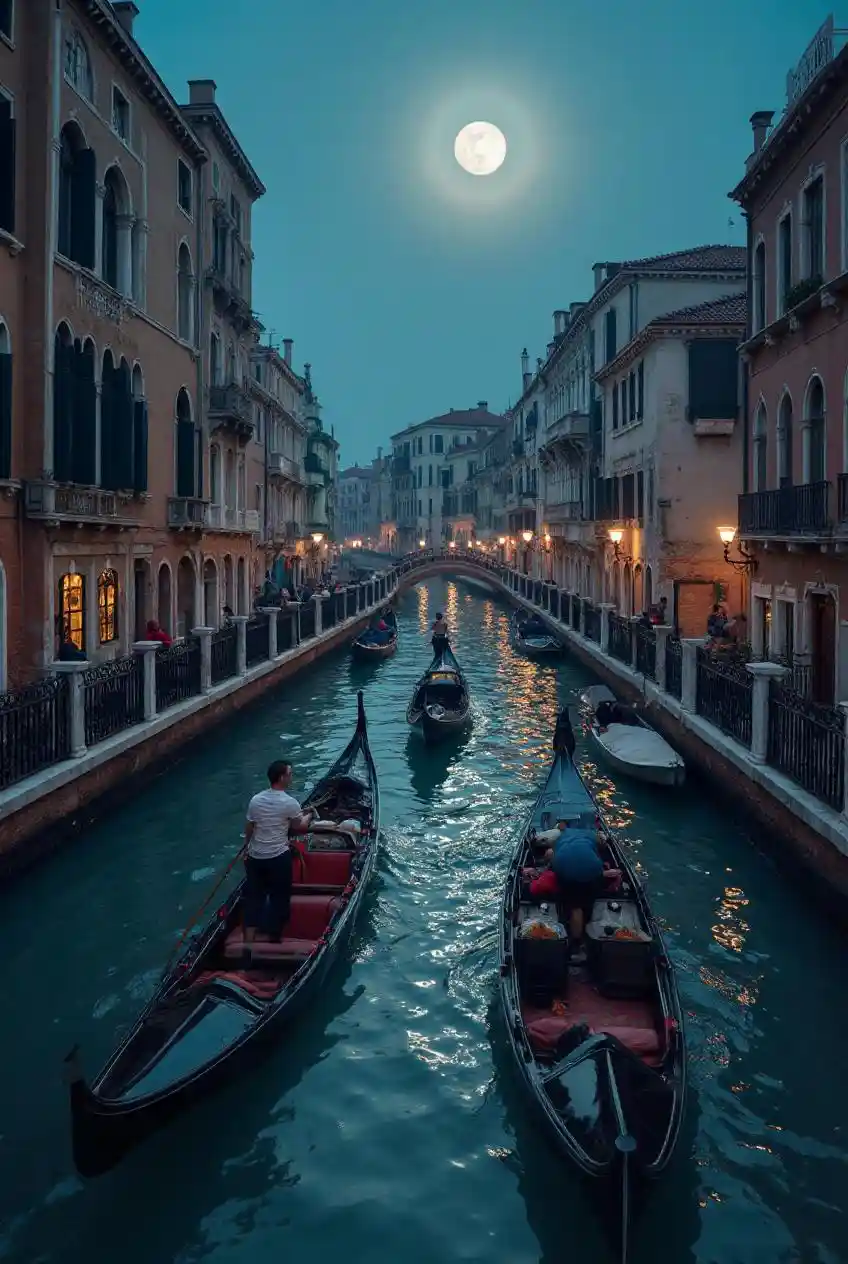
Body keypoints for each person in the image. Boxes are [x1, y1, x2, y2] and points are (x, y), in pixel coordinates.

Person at [242, 760, 317, 963]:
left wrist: (246, 848)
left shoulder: (256, 800)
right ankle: (275, 937)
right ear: (282, 777)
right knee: (280, 896)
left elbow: (250, 827)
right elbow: (298, 826)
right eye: (290, 774)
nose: (291, 777)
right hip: (277, 858)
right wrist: (309, 814)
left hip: (256, 857)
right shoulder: (290, 803)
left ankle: (247, 948)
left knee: (253, 899)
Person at [530, 824, 605, 957]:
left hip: (566, 867)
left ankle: (576, 943)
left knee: (575, 906)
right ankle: (587, 921)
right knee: (588, 897)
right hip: (594, 868)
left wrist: (544, 866)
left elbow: (548, 855)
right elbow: (601, 847)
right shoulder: (590, 834)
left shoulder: (559, 837)